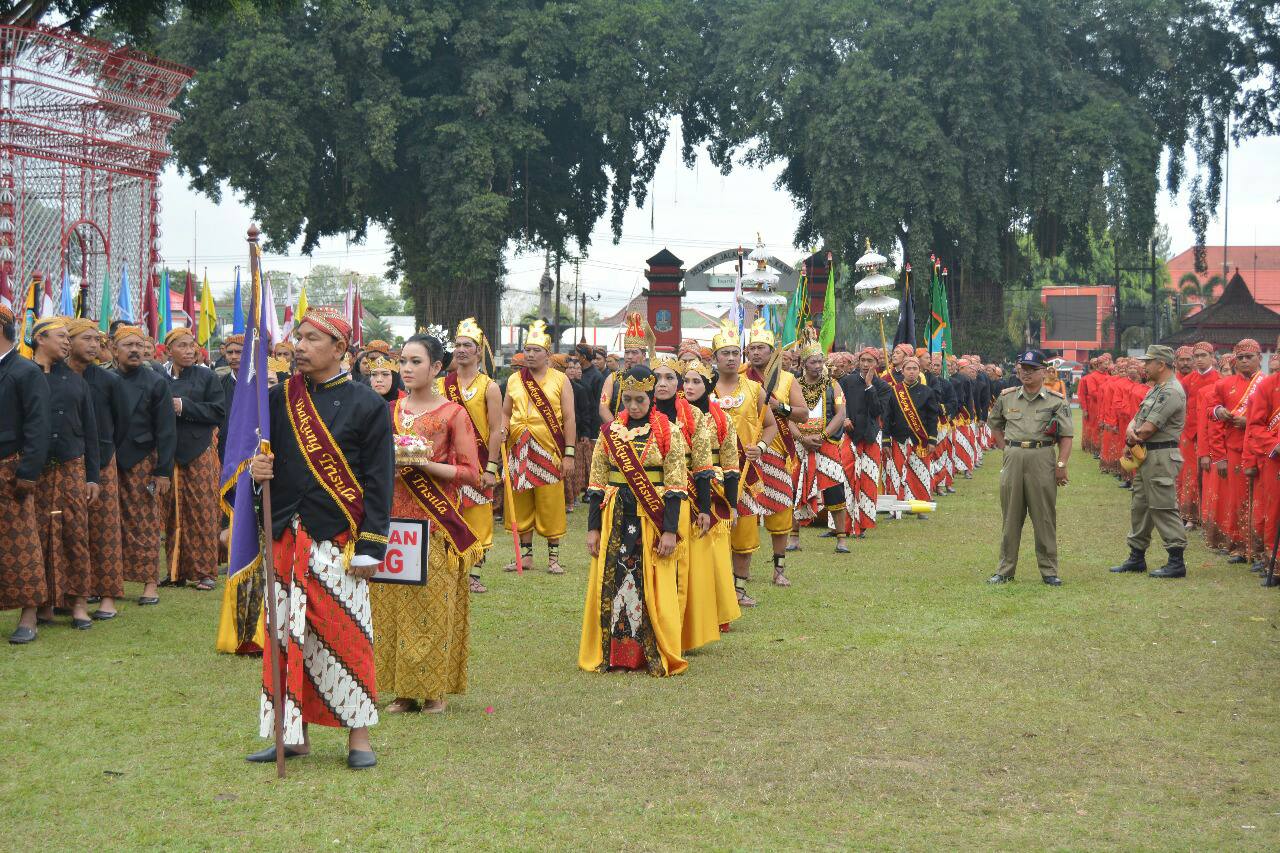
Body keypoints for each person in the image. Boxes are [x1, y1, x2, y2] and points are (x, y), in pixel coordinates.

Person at [248, 306, 393, 770]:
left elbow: (378, 481)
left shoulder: (366, 404)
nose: (301, 346)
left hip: (339, 540)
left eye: (312, 339)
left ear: (339, 349)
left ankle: (360, 740)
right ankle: (294, 735)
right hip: (287, 536)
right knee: (286, 636)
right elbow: (259, 463)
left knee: (346, 634)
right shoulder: (276, 399)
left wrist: (372, 545)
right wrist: (257, 473)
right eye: (299, 337)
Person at [372, 333, 482, 714]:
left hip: (435, 524)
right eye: (403, 361)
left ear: (436, 368)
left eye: (416, 362)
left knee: (432, 607)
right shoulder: (388, 412)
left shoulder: (453, 414)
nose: (406, 368)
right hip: (394, 525)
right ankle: (402, 691)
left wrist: (423, 465)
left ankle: (433, 691)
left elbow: (471, 473)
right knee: (393, 606)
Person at [579, 365, 689, 676]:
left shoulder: (669, 431)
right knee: (615, 582)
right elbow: (597, 483)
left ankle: (646, 653)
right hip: (614, 517)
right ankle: (616, 654)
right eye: (627, 399)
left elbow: (676, 485)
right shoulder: (609, 433)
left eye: (640, 399)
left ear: (651, 397)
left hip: (651, 520)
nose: (633, 406)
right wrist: (592, 528)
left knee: (647, 584)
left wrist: (669, 531)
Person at [30, 317, 99, 629]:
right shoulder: (22, 375)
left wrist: (92, 476)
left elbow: (91, 431)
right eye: (60, 337)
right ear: (39, 338)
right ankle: (42, 605)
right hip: (33, 470)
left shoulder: (75, 381)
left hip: (71, 466)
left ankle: (79, 605)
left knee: (75, 535)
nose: (66, 342)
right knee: (38, 536)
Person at [986, 349, 1073, 586]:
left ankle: (1049, 571)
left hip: (1042, 456)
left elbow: (1066, 436)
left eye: (1032, 369)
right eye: (1023, 368)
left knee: (1044, 516)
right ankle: (1005, 570)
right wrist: (1006, 448)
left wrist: (1061, 464)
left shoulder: (1056, 401)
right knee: (1010, 516)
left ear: (1043, 372)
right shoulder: (1007, 397)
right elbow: (995, 424)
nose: (1026, 373)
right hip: (1014, 457)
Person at [710, 320, 777, 607]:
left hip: (747, 473)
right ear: (714, 358)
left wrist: (760, 447)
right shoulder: (704, 390)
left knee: (744, 530)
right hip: (712, 472)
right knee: (714, 529)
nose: (730, 358)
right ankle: (715, 587)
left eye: (735, 353)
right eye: (724, 353)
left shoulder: (755, 389)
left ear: (742, 356)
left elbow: (771, 426)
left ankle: (739, 588)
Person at [502, 319, 575, 574]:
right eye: (527, 350)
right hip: (518, 447)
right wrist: (502, 430)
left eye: (536, 351)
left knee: (550, 502)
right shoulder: (513, 380)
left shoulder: (560, 380)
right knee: (521, 502)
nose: (530, 355)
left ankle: (553, 558)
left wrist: (569, 454)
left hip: (549, 447)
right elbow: (505, 412)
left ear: (547, 354)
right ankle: (526, 556)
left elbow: (569, 418)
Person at [1109, 345, 1188, 578]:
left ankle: (1176, 560)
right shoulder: (1156, 389)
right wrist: (1132, 430)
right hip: (1147, 454)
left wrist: (1135, 434)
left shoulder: (1171, 391)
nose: (1144, 366)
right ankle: (1136, 556)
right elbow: (1137, 418)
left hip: (1161, 454)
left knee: (1163, 506)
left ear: (1161, 364)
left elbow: (1148, 428)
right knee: (1140, 506)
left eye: (1148, 362)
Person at [67, 318, 127, 620]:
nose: (94, 346)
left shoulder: (108, 381)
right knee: (68, 532)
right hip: (64, 465)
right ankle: (68, 595)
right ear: (69, 341)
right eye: (87, 339)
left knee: (105, 529)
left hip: (102, 460)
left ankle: (107, 597)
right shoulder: (54, 376)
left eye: (97, 340)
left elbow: (121, 423)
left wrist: (106, 452)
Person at [111, 325, 175, 606]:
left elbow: (166, 430)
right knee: (109, 523)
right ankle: (109, 583)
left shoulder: (155, 382)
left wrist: (163, 470)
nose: (135, 350)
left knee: (145, 522)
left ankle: (150, 584)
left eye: (139, 345)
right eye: (128, 345)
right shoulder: (106, 379)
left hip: (143, 461)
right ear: (115, 350)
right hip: (109, 460)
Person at [741, 318, 808, 580]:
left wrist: (779, 408)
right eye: (752, 348)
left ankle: (779, 570)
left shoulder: (788, 379)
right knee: (743, 513)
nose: (756, 352)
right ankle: (739, 573)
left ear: (772, 351)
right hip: (745, 453)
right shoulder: (739, 377)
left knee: (780, 511)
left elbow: (801, 414)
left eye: (761, 347)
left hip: (776, 451)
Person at [440, 317, 503, 594]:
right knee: (449, 514)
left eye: (468, 345)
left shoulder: (490, 386)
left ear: (479, 351)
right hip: (446, 465)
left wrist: (491, 467)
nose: (461, 349)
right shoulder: (442, 385)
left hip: (478, 463)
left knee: (478, 517)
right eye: (458, 345)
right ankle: (450, 568)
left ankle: (474, 574)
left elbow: (495, 429)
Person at [0, 303, 51, 644]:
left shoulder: (24, 371)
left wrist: (28, 472)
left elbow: (39, 426)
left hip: (9, 467)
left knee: (21, 543)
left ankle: (29, 613)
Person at [680, 357, 741, 639]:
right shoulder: (673, 414)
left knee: (715, 555)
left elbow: (731, 464)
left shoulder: (722, 417)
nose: (689, 386)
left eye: (696, 382)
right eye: (686, 380)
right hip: (682, 486)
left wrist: (732, 504)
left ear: (708, 386)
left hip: (713, 490)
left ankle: (718, 613)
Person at [162, 327, 226, 591]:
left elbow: (218, 411)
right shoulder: (159, 378)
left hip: (200, 449)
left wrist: (183, 407)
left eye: (193, 345)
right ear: (169, 350)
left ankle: (205, 572)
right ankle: (175, 571)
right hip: (169, 451)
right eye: (183, 346)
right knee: (173, 512)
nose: (190, 351)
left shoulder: (207, 376)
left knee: (203, 511)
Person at [791, 331, 851, 552]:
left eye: (820, 361)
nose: (818, 365)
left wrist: (823, 436)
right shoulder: (793, 384)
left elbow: (841, 413)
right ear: (804, 363)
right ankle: (794, 537)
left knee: (834, 487)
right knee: (797, 487)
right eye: (813, 361)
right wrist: (801, 438)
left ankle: (841, 539)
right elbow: (786, 416)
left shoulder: (833, 385)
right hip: (800, 444)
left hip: (826, 443)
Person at [1205, 339, 1263, 564]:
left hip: (1262, 450)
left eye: (1249, 357)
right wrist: (1220, 412)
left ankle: (1260, 549)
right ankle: (1239, 545)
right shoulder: (1224, 385)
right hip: (1235, 450)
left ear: (1259, 357)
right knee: (1238, 500)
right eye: (1240, 357)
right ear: (1234, 360)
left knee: (1261, 501)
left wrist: (1248, 421)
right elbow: (1211, 411)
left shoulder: (1266, 384)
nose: (1245, 361)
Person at [839, 348, 887, 538]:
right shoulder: (847, 381)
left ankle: (863, 525)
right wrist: (845, 418)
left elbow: (877, 411)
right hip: (849, 435)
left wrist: (869, 386)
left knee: (867, 481)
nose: (866, 364)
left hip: (870, 438)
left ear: (876, 363)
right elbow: (840, 404)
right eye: (863, 360)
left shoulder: (883, 387)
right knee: (845, 478)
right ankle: (842, 525)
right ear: (858, 361)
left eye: (870, 361)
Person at [597, 313, 650, 429]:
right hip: (617, 435)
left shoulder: (651, 378)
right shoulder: (613, 378)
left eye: (634, 353)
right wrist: (618, 431)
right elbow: (603, 407)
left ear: (644, 356)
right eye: (627, 352)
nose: (629, 357)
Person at [217, 334, 243, 462]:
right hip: (226, 448)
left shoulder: (262, 382)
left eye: (239, 352)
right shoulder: (220, 383)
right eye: (229, 352)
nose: (233, 356)